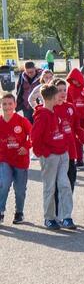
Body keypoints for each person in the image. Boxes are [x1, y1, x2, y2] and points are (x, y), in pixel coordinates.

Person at [32, 83, 75, 230]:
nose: (61, 96)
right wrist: (43, 153)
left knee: (65, 184)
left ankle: (66, 217)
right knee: (49, 187)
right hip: (50, 156)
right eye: (58, 94)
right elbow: (35, 138)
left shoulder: (57, 111)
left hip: (63, 154)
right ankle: (49, 218)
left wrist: (65, 148)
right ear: (51, 98)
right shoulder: (42, 115)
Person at [0, 93, 31, 224]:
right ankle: (0, 211)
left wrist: (26, 146)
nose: (7, 107)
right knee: (4, 183)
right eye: (4, 104)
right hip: (4, 159)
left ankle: (19, 212)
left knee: (19, 189)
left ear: (15, 105)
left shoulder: (22, 121)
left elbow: (33, 135)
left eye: (10, 104)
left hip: (20, 160)